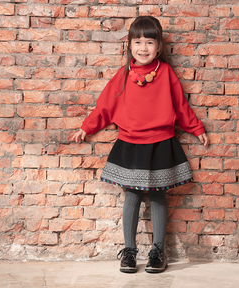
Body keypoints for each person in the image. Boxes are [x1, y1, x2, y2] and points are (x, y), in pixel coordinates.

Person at [72, 16, 209, 273]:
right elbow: (105, 106)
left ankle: (158, 251)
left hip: (161, 143)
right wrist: (86, 127)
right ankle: (130, 250)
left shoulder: (166, 73)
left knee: (158, 196)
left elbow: (180, 106)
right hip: (131, 145)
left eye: (149, 41)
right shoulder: (123, 76)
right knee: (132, 197)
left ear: (158, 47)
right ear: (129, 46)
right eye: (138, 42)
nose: (143, 47)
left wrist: (196, 128)